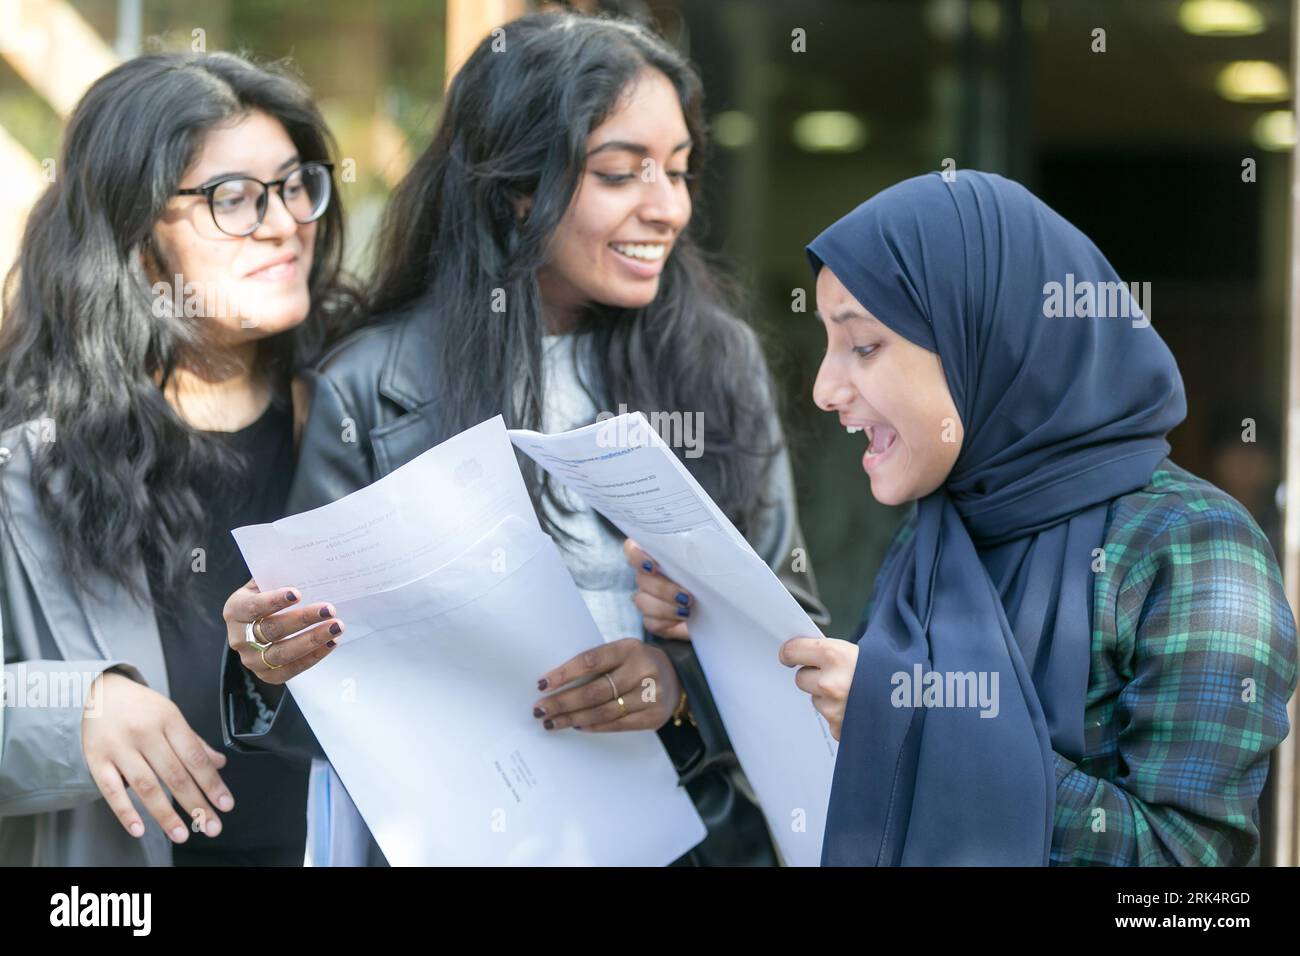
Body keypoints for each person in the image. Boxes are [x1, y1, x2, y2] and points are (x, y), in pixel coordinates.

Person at [222, 10, 828, 866]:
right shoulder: (371, 381)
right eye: (622, 174)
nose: (669, 208)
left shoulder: (715, 361)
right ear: (516, 185)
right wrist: (264, 657)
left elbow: (795, 632)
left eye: (682, 171)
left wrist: (677, 687)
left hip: (698, 834)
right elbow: (321, 686)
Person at [781, 170, 1297, 865]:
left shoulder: (1193, 545)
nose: (824, 388)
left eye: (864, 345)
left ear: (982, 336)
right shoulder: (942, 531)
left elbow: (1190, 875)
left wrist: (921, 734)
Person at [0, 51, 359, 865]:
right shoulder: (23, 460)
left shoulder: (369, 412)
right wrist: (78, 708)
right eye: (231, 198)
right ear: (133, 239)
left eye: (295, 183)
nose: (282, 221)